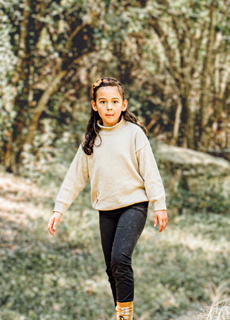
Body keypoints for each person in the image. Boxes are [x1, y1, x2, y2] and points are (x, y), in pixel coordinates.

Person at [47, 77, 168, 320]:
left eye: (114, 102)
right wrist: (59, 209)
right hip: (107, 210)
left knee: (119, 258)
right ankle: (122, 313)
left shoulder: (134, 134)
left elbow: (150, 171)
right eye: (103, 102)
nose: (109, 107)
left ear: (124, 105)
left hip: (134, 205)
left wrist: (159, 204)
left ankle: (125, 317)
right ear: (94, 105)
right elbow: (75, 177)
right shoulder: (92, 139)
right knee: (111, 269)